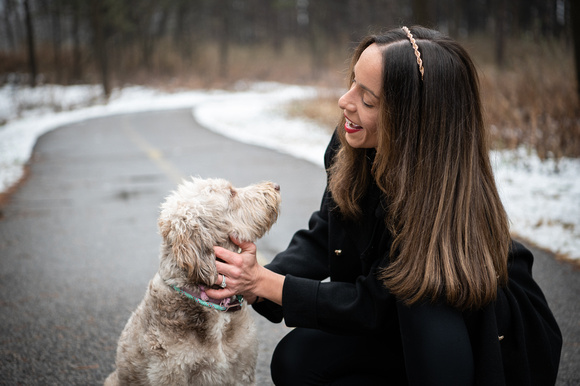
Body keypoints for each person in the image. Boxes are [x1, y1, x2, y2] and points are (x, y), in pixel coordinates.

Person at [206, 26, 562, 385]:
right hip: (395, 323)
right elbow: (327, 231)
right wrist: (246, 279)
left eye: (368, 100)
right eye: (352, 83)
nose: (345, 101)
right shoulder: (353, 143)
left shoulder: (437, 190)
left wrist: (267, 283)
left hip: (472, 338)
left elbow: (374, 302)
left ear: (412, 122)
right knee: (296, 360)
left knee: (422, 306)